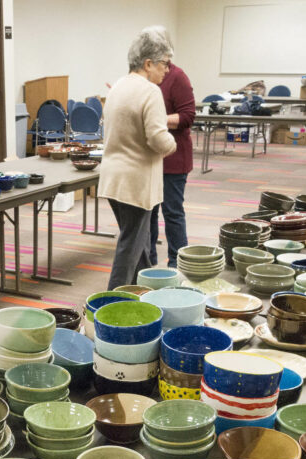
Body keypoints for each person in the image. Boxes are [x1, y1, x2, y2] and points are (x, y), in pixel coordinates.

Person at [99, 26, 177, 289]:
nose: (167, 70)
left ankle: (145, 293)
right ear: (148, 63)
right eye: (165, 64)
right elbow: (157, 138)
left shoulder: (118, 86)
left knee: (139, 244)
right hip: (136, 183)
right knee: (130, 247)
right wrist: (172, 144)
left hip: (113, 179)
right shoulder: (150, 91)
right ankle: (109, 304)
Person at [149, 60, 196, 269]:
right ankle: (147, 261)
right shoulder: (145, 77)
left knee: (172, 212)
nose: (165, 68)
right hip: (150, 156)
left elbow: (187, 116)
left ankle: (178, 265)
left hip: (174, 157)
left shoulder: (178, 76)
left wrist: (155, 118)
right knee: (148, 212)